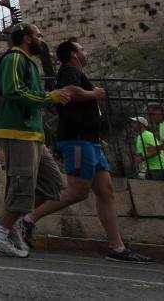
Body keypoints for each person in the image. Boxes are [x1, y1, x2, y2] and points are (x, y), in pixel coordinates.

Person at [8, 39, 152, 263]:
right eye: (82, 49)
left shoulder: (77, 72)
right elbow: (69, 92)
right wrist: (94, 94)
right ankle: (28, 219)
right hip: (76, 141)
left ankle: (117, 247)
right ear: (74, 54)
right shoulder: (68, 71)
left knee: (106, 192)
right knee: (77, 191)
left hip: (90, 142)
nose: (85, 52)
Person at [0, 24, 76, 258]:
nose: (41, 40)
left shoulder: (29, 63)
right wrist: (48, 97)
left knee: (53, 184)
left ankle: (5, 222)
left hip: (33, 133)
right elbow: (13, 90)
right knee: (22, 185)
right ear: (26, 38)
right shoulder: (14, 58)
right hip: (16, 132)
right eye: (38, 36)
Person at [132, 116, 163, 181]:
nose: (132, 124)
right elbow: (143, 152)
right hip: (150, 168)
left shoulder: (147, 135)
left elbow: (157, 151)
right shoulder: (140, 136)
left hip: (158, 168)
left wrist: (142, 158)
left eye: (135, 123)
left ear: (141, 124)